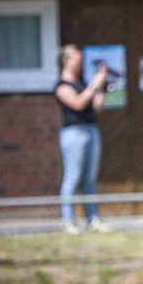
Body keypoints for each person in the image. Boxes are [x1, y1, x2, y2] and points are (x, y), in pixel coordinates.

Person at [55, 45, 109, 233]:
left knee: (90, 179)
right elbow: (77, 103)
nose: (80, 65)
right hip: (73, 134)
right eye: (77, 61)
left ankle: (92, 218)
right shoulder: (62, 86)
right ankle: (69, 221)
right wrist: (93, 85)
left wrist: (101, 85)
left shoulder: (83, 83)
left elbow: (96, 107)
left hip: (91, 130)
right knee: (72, 176)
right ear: (66, 62)